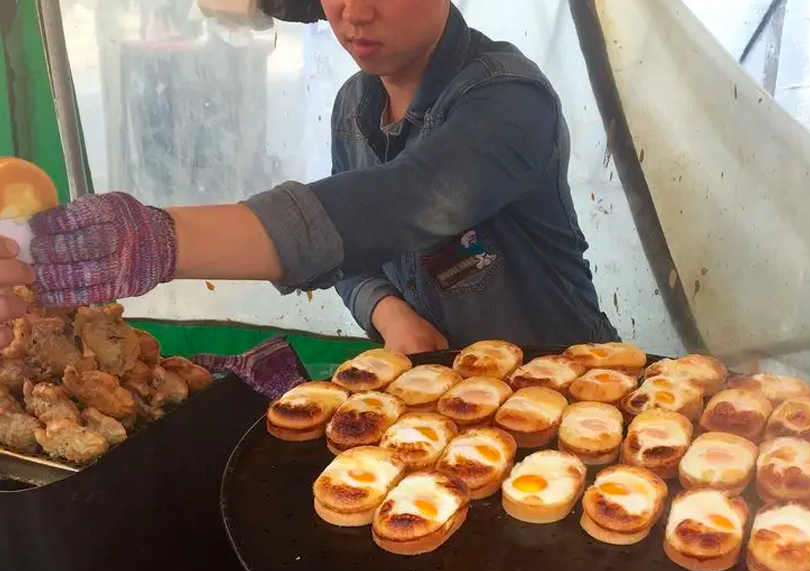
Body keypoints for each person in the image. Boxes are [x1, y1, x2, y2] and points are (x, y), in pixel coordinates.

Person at [0, 0, 619, 354]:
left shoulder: (509, 98)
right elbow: (355, 255)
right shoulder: (356, 103)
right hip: (438, 390)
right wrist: (387, 314)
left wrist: (150, 241)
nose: (354, 14)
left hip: (568, 376)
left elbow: (400, 204)